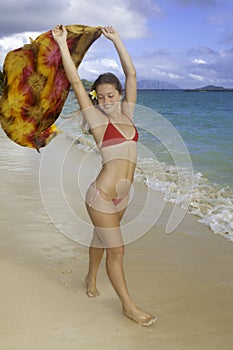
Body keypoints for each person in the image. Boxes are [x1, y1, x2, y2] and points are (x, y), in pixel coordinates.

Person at [52, 25, 156, 327]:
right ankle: (129, 306)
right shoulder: (97, 121)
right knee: (118, 249)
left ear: (119, 95)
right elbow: (75, 82)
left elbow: (132, 74)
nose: (106, 101)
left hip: (122, 196)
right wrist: (61, 43)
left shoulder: (128, 114)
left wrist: (117, 40)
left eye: (111, 95)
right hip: (101, 196)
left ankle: (90, 277)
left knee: (101, 237)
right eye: (101, 97)